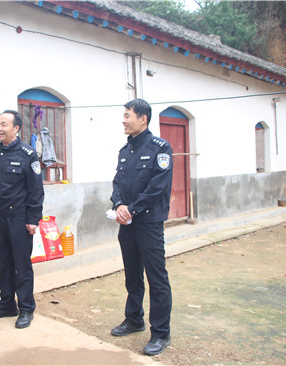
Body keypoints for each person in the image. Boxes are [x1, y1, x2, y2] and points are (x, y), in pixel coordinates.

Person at [110, 98, 173, 355]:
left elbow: (157, 187)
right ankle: (134, 319)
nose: (124, 120)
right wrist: (118, 205)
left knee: (156, 277)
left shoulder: (161, 148)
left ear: (143, 119)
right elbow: (117, 183)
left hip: (148, 222)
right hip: (126, 223)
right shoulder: (125, 151)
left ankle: (160, 333)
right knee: (132, 274)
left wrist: (132, 209)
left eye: (128, 116)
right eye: (124, 116)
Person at [0, 110, 44, 329]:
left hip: (19, 219)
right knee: (3, 264)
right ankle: (6, 304)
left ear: (16, 128)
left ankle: (26, 308)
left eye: (3, 124)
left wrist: (33, 218)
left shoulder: (28, 154)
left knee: (21, 265)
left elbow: (36, 191)